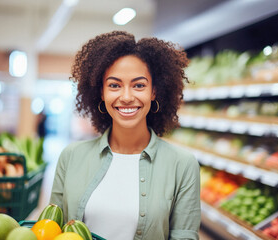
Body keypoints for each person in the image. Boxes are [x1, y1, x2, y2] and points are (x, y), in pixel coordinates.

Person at [50, 31, 201, 240]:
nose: (127, 97)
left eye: (139, 85)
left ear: (154, 92)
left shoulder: (182, 165)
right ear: (101, 92)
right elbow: (50, 229)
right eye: (114, 85)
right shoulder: (71, 156)